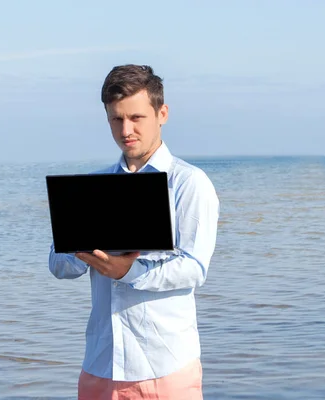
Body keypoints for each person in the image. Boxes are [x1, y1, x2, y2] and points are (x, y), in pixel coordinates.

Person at [48, 64, 220, 399]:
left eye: (136, 118)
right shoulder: (93, 188)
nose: (126, 129)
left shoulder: (188, 182)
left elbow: (193, 268)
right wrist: (83, 253)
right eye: (116, 119)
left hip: (165, 367)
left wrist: (126, 270)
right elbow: (57, 265)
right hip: (101, 365)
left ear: (162, 113)